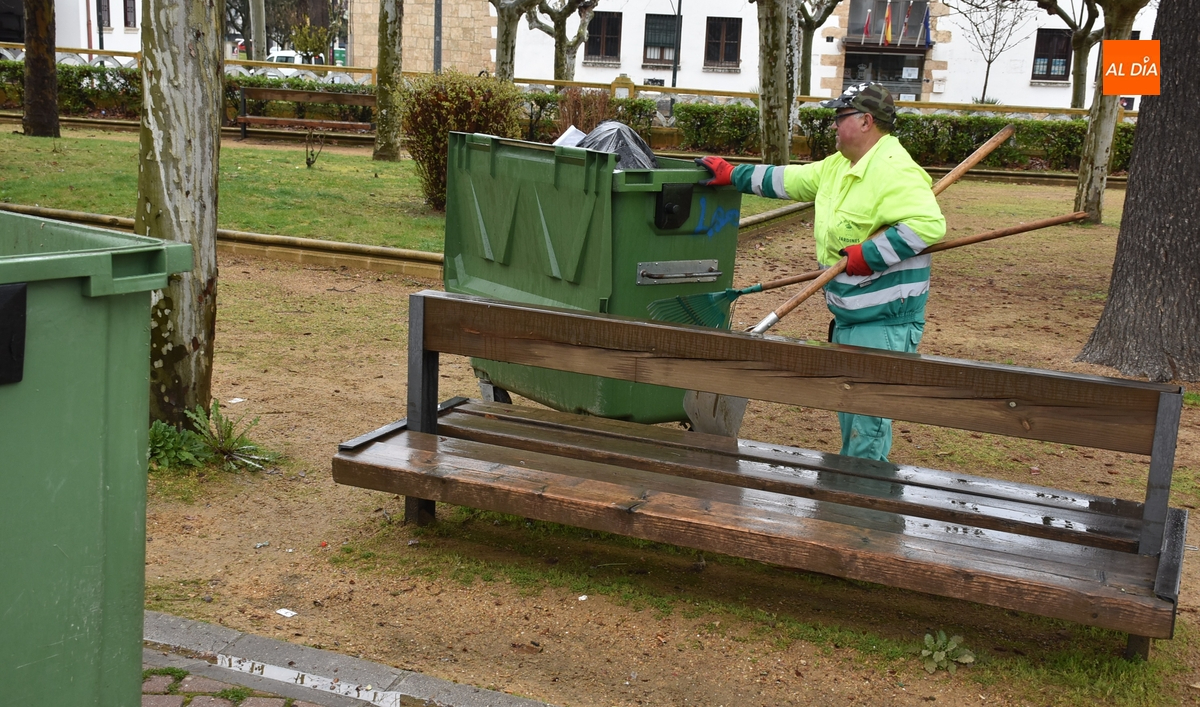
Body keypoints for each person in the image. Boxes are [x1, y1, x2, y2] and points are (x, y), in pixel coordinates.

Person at [696, 82, 945, 462]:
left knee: (867, 429)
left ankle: (861, 511)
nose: (833, 125)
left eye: (840, 117)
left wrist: (870, 255)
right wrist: (734, 175)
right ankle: (852, 500)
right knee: (853, 418)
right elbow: (787, 180)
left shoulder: (895, 170)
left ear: (866, 121)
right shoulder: (839, 167)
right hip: (850, 319)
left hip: (885, 325)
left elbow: (927, 226)